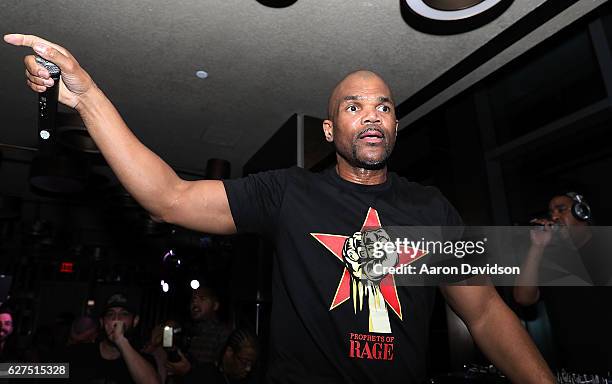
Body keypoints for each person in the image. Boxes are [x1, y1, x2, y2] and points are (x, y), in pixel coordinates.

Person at [4, 33, 554, 383]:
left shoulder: (430, 205)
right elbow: (168, 197)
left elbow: (484, 314)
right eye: (354, 106)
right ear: (330, 128)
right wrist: (89, 97)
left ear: (394, 125)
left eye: (384, 107)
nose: (371, 116)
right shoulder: (289, 192)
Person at [513, 193, 612, 373]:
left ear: (582, 211)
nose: (555, 217)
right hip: (579, 367)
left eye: (561, 209)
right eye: (551, 213)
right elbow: (523, 297)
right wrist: (537, 246)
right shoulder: (553, 261)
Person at [63, 292, 159, 383]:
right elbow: (48, 372)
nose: (116, 318)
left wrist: (120, 341)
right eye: (110, 314)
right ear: (102, 322)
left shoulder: (143, 361)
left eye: (124, 314)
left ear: (135, 321)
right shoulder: (79, 354)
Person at [186, 328, 258, 384]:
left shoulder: (251, 379)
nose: (248, 369)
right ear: (229, 352)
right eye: (244, 362)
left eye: (251, 364)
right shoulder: (203, 376)